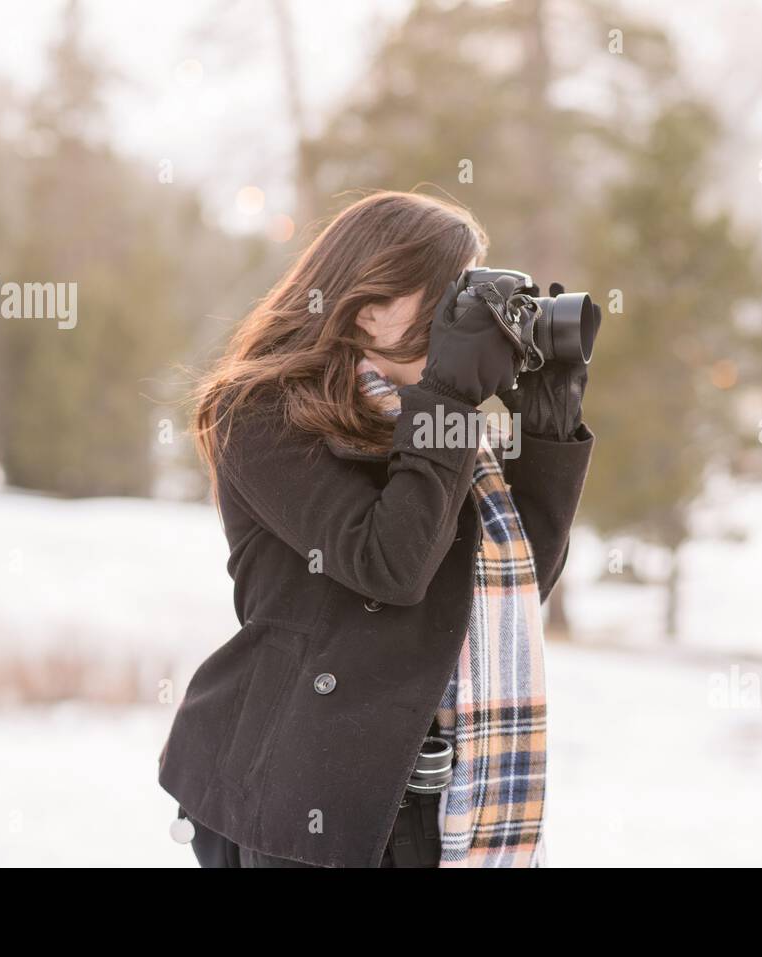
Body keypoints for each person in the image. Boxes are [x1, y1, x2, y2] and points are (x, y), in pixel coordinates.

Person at [157, 190, 594, 867]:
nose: (463, 322)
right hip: (311, 797)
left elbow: (509, 591)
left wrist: (547, 426)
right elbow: (389, 565)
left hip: (442, 800)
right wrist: (448, 399)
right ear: (366, 312)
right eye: (448, 298)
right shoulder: (260, 413)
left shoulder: (432, 427)